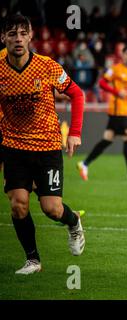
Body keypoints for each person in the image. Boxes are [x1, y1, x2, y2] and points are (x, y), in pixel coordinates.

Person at [0, 14, 86, 274]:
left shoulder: (46, 66)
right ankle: (33, 260)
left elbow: (76, 93)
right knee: (18, 204)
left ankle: (73, 222)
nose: (18, 39)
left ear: (30, 36)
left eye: (22, 33)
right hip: (13, 145)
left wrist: (75, 132)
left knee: (51, 208)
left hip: (47, 145)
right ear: (3, 37)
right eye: (12, 34)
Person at [77, 46, 127, 181]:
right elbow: (102, 83)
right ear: (123, 55)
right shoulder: (115, 69)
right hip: (116, 110)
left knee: (107, 140)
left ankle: (84, 164)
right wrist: (116, 92)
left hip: (124, 110)